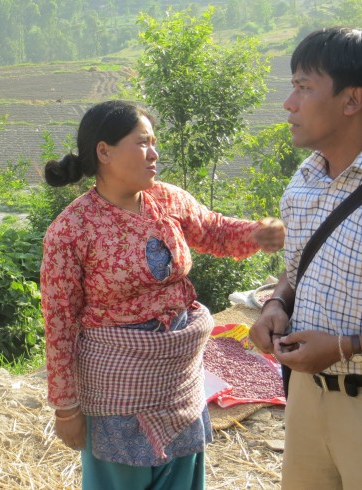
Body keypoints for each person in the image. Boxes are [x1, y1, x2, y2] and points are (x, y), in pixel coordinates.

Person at [39, 100, 285, 490]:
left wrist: (257, 233)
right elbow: (60, 321)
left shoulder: (167, 200)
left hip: (179, 382)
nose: (154, 154)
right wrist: (66, 408)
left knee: (182, 479)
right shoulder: (72, 229)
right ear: (104, 151)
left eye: (154, 143)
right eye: (142, 144)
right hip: (117, 390)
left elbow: (214, 230)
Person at [249, 27, 362, 490]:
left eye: (303, 87)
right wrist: (277, 304)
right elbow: (297, 269)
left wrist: (346, 347)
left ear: (351, 101)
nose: (288, 103)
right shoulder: (306, 178)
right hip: (307, 398)